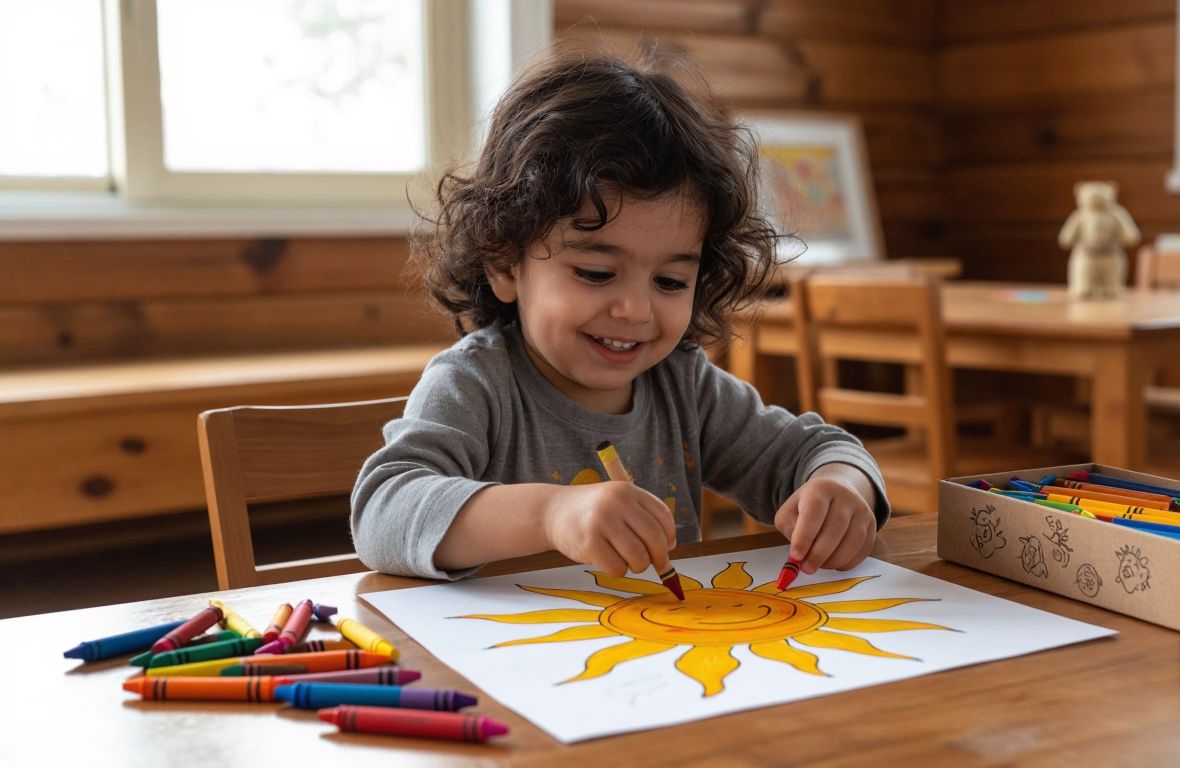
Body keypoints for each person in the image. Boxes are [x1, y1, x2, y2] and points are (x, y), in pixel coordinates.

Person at [352, 48, 890, 581]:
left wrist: (840, 487)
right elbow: (384, 509)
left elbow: (818, 449)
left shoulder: (683, 386)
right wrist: (552, 514)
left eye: (670, 281)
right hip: (505, 659)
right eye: (595, 273)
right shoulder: (475, 383)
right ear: (505, 264)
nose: (635, 310)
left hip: (657, 659)